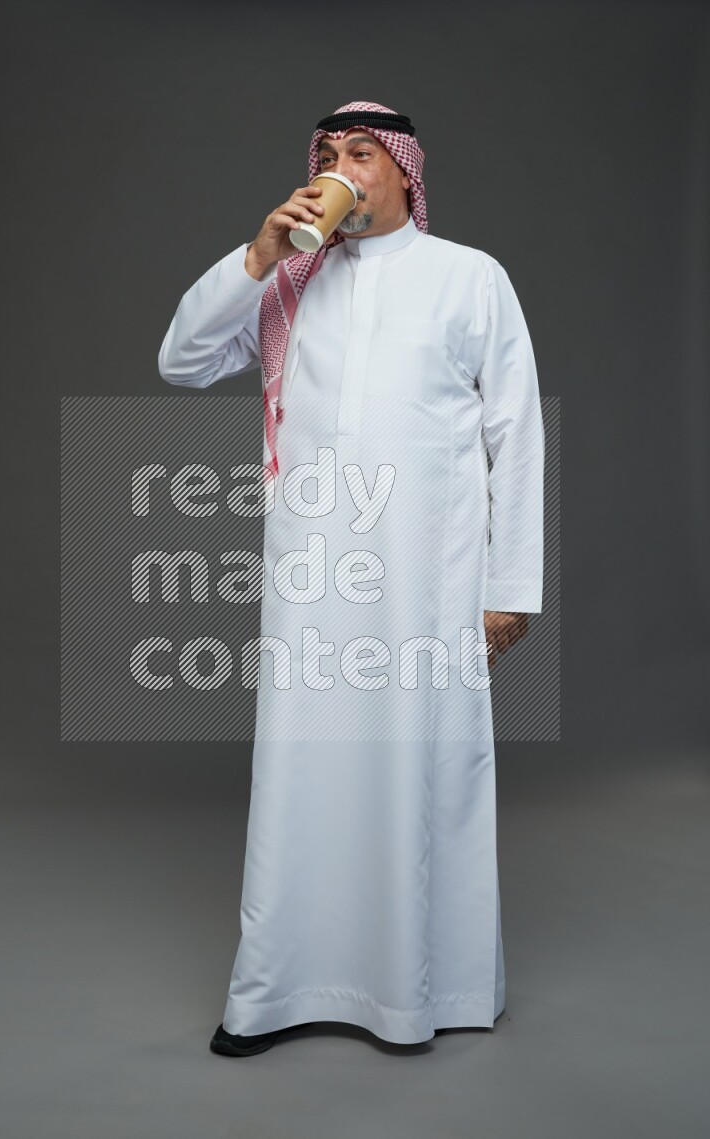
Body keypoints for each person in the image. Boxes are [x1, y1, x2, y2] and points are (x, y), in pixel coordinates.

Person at [158, 100, 545, 1057]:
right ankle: (276, 992)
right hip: (313, 575)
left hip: (430, 581)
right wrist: (256, 256)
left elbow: (516, 433)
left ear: (405, 173)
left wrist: (511, 585)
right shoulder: (289, 283)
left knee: (425, 770)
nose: (340, 168)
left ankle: (426, 992)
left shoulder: (468, 277)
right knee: (302, 772)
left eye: (361, 154)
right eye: (328, 154)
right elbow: (182, 361)